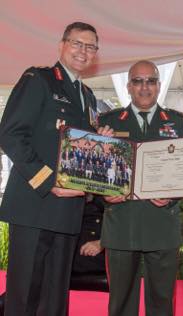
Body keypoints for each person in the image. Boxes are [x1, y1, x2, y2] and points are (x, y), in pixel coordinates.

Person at [0, 22, 100, 316]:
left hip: (69, 212)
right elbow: (10, 133)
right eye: (77, 43)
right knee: (25, 294)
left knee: (56, 299)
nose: (83, 51)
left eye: (90, 46)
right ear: (62, 45)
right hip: (36, 204)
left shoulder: (88, 95)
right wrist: (47, 181)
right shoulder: (39, 79)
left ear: (96, 53)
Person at [98, 60, 183, 316]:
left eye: (150, 81)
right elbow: (93, 173)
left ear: (159, 86)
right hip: (122, 225)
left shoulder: (180, 123)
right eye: (138, 81)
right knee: (121, 304)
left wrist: (174, 194)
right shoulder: (107, 123)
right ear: (128, 86)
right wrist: (103, 194)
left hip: (162, 224)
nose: (144, 87)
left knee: (162, 303)